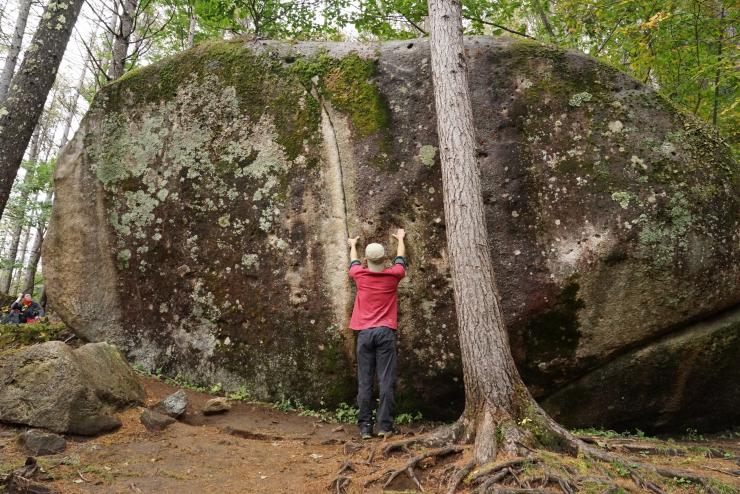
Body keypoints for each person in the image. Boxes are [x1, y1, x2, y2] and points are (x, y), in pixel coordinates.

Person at [347, 228, 407, 439]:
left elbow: (353, 263)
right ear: (384, 260)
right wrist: (400, 239)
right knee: (385, 379)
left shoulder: (359, 275)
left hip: (364, 333)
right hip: (385, 332)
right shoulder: (393, 276)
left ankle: (365, 428)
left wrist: (353, 244)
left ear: (367, 261)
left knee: (364, 381)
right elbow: (401, 260)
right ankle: (385, 427)